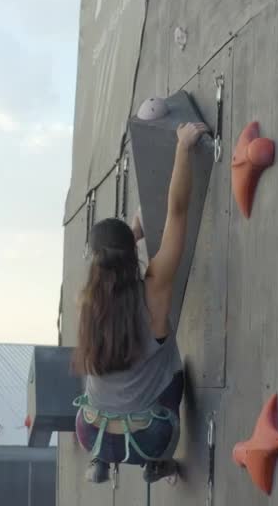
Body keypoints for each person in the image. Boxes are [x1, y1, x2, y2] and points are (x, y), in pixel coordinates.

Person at [72, 120, 209, 484]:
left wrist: (130, 236)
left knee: (100, 379)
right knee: (177, 370)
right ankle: (158, 462)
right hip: (147, 437)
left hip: (91, 432)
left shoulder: (87, 304)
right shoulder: (154, 291)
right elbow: (178, 212)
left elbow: (107, 267)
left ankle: (101, 459)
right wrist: (183, 147)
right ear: (130, 255)